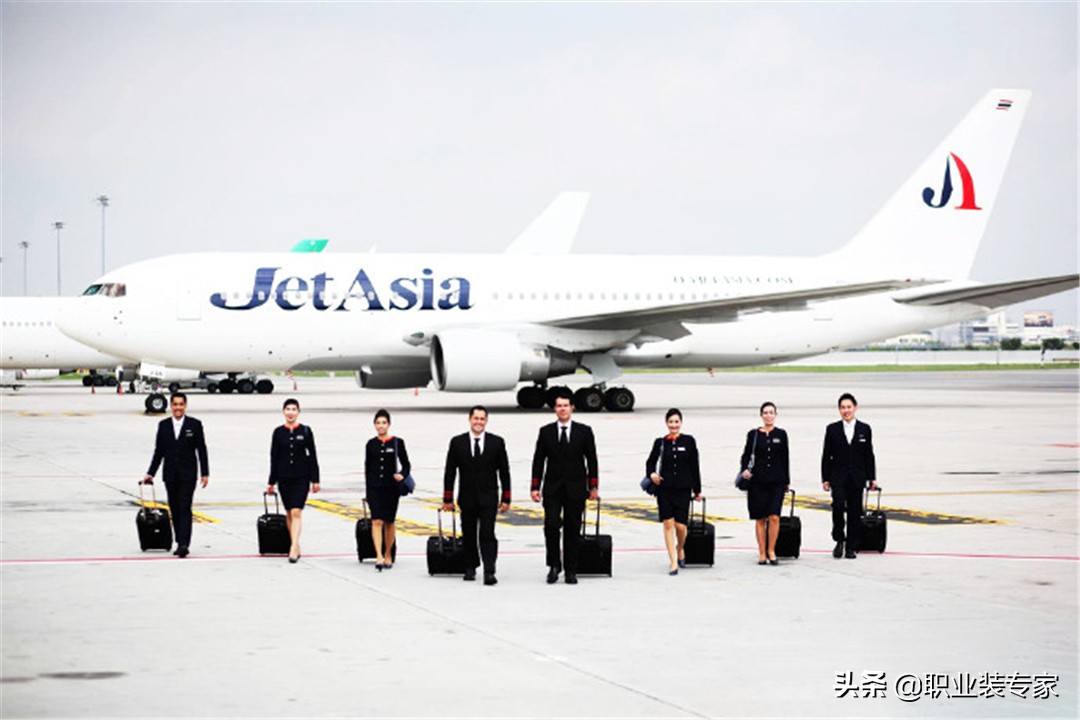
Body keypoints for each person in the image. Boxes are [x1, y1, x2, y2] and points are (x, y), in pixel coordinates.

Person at [530, 390, 599, 585]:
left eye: (565, 406)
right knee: (551, 526)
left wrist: (593, 486)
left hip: (576, 488)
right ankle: (554, 565)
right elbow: (538, 460)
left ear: (572, 408)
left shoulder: (584, 431)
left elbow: (591, 459)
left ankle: (571, 569)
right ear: (554, 409)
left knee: (572, 528)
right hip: (552, 487)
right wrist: (535, 486)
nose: (562, 409)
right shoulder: (546, 432)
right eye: (559, 406)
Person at [442, 405, 511, 585]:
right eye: (476, 418)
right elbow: (450, 471)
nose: (479, 422)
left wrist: (506, 497)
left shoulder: (497, 442)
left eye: (482, 419)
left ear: (486, 421)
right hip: (467, 496)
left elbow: (504, 471)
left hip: (489, 497)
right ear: (470, 420)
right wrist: (447, 498)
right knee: (469, 534)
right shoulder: (457, 442)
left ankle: (490, 570)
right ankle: (470, 567)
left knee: (487, 534)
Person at [143, 392, 209, 558]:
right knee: (174, 508)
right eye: (175, 404)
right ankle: (179, 539)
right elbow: (159, 452)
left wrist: (205, 472)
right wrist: (151, 473)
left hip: (188, 474)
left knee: (185, 507)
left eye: (181, 404)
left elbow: (201, 449)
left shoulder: (194, 424)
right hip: (170, 474)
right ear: (171, 406)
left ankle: (184, 543)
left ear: (185, 406)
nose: (178, 407)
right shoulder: (163, 425)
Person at [821, 392, 877, 559]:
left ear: (855, 408)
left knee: (855, 511)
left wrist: (871, 477)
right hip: (838, 477)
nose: (846, 410)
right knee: (837, 507)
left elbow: (869, 455)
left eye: (849, 407)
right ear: (839, 410)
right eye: (843, 408)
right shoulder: (832, 429)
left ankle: (851, 546)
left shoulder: (864, 429)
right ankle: (839, 540)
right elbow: (826, 455)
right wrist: (825, 478)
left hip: (857, 477)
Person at [645, 408, 702, 575]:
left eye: (676, 422)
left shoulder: (689, 441)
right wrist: (652, 474)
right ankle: (673, 561)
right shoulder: (660, 443)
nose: (674, 425)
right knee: (668, 524)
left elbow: (694, 467)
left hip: (683, 489)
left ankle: (680, 547)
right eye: (671, 422)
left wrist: (697, 490)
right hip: (665, 489)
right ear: (666, 424)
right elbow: (650, 463)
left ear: (681, 423)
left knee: (681, 526)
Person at [265, 398, 320, 563]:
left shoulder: (305, 431)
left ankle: (293, 546)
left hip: (301, 477)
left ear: (298, 412)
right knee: (289, 511)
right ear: (283, 411)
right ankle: (294, 544)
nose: (290, 412)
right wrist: (271, 481)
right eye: (288, 409)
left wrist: (315, 479)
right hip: (284, 477)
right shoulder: (278, 432)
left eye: (293, 409)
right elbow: (274, 458)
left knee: (296, 511)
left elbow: (313, 456)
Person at [738, 402, 790, 566]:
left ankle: (771, 550)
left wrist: (786, 480)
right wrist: (744, 470)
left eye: (771, 413)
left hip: (776, 481)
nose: (768, 416)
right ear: (761, 415)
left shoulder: (781, 434)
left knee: (774, 517)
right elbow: (746, 456)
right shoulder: (753, 435)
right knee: (760, 518)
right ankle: (762, 552)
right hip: (757, 482)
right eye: (765, 413)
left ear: (776, 415)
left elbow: (785, 458)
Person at [364, 408, 410, 570]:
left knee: (389, 522)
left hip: (391, 488)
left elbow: (406, 464)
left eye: (384, 423)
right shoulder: (371, 444)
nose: (381, 426)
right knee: (376, 520)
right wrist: (368, 491)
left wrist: (402, 475)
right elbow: (367, 468)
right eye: (378, 423)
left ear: (389, 424)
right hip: (375, 487)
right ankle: (378, 555)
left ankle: (388, 552)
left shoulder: (397, 442)